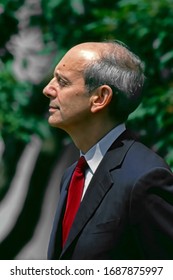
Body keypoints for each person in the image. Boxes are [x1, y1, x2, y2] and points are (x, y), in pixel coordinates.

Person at [43, 40, 173, 260]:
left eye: (62, 82)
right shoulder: (72, 175)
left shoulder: (144, 178)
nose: (47, 89)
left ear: (100, 98)